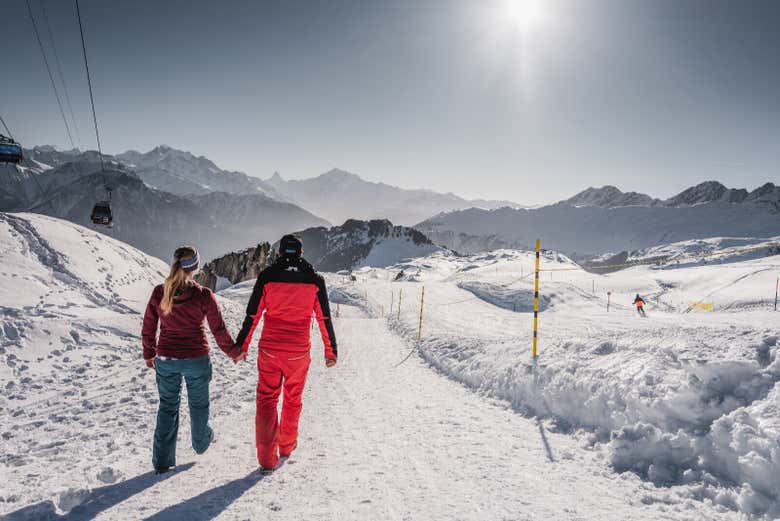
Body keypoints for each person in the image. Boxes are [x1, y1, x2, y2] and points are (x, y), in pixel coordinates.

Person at [235, 234, 337, 473]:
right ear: (300, 253)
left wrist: (242, 346)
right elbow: (323, 318)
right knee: (292, 399)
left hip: (270, 350)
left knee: (267, 400)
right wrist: (330, 352)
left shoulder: (267, 277)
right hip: (298, 353)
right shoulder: (315, 280)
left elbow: (253, 315)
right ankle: (287, 446)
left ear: (279, 253)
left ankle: (267, 460)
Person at [141, 246, 246, 474]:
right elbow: (218, 330)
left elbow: (149, 326)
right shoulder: (203, 295)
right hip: (196, 358)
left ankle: (162, 461)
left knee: (168, 407)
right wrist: (234, 351)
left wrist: (149, 353)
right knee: (199, 404)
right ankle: (200, 442)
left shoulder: (160, 292)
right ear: (196, 267)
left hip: (167, 358)